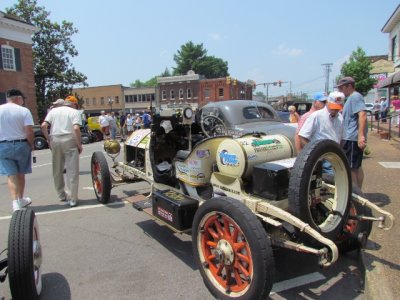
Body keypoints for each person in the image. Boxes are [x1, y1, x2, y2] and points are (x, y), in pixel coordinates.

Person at [41, 95, 82, 207]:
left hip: (55, 138)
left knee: (57, 169)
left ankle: (61, 194)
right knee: (72, 170)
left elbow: (44, 125)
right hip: (69, 138)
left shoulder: (53, 111)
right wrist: (79, 144)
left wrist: (48, 139)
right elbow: (76, 128)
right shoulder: (74, 112)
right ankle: (72, 198)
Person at [0, 89, 34, 211]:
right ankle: (20, 199)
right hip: (21, 144)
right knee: (21, 173)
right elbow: (29, 131)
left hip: (3, 145)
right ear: (18, 98)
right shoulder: (24, 111)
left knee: (11, 174)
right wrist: (31, 144)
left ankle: (15, 202)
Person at [336, 76, 367, 190]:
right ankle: (359, 192)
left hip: (352, 138)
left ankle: (356, 195)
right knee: (357, 166)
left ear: (349, 86)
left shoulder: (355, 97)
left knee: (351, 168)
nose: (340, 90)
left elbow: (362, 115)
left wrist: (360, 136)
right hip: (351, 137)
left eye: (341, 88)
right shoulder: (350, 98)